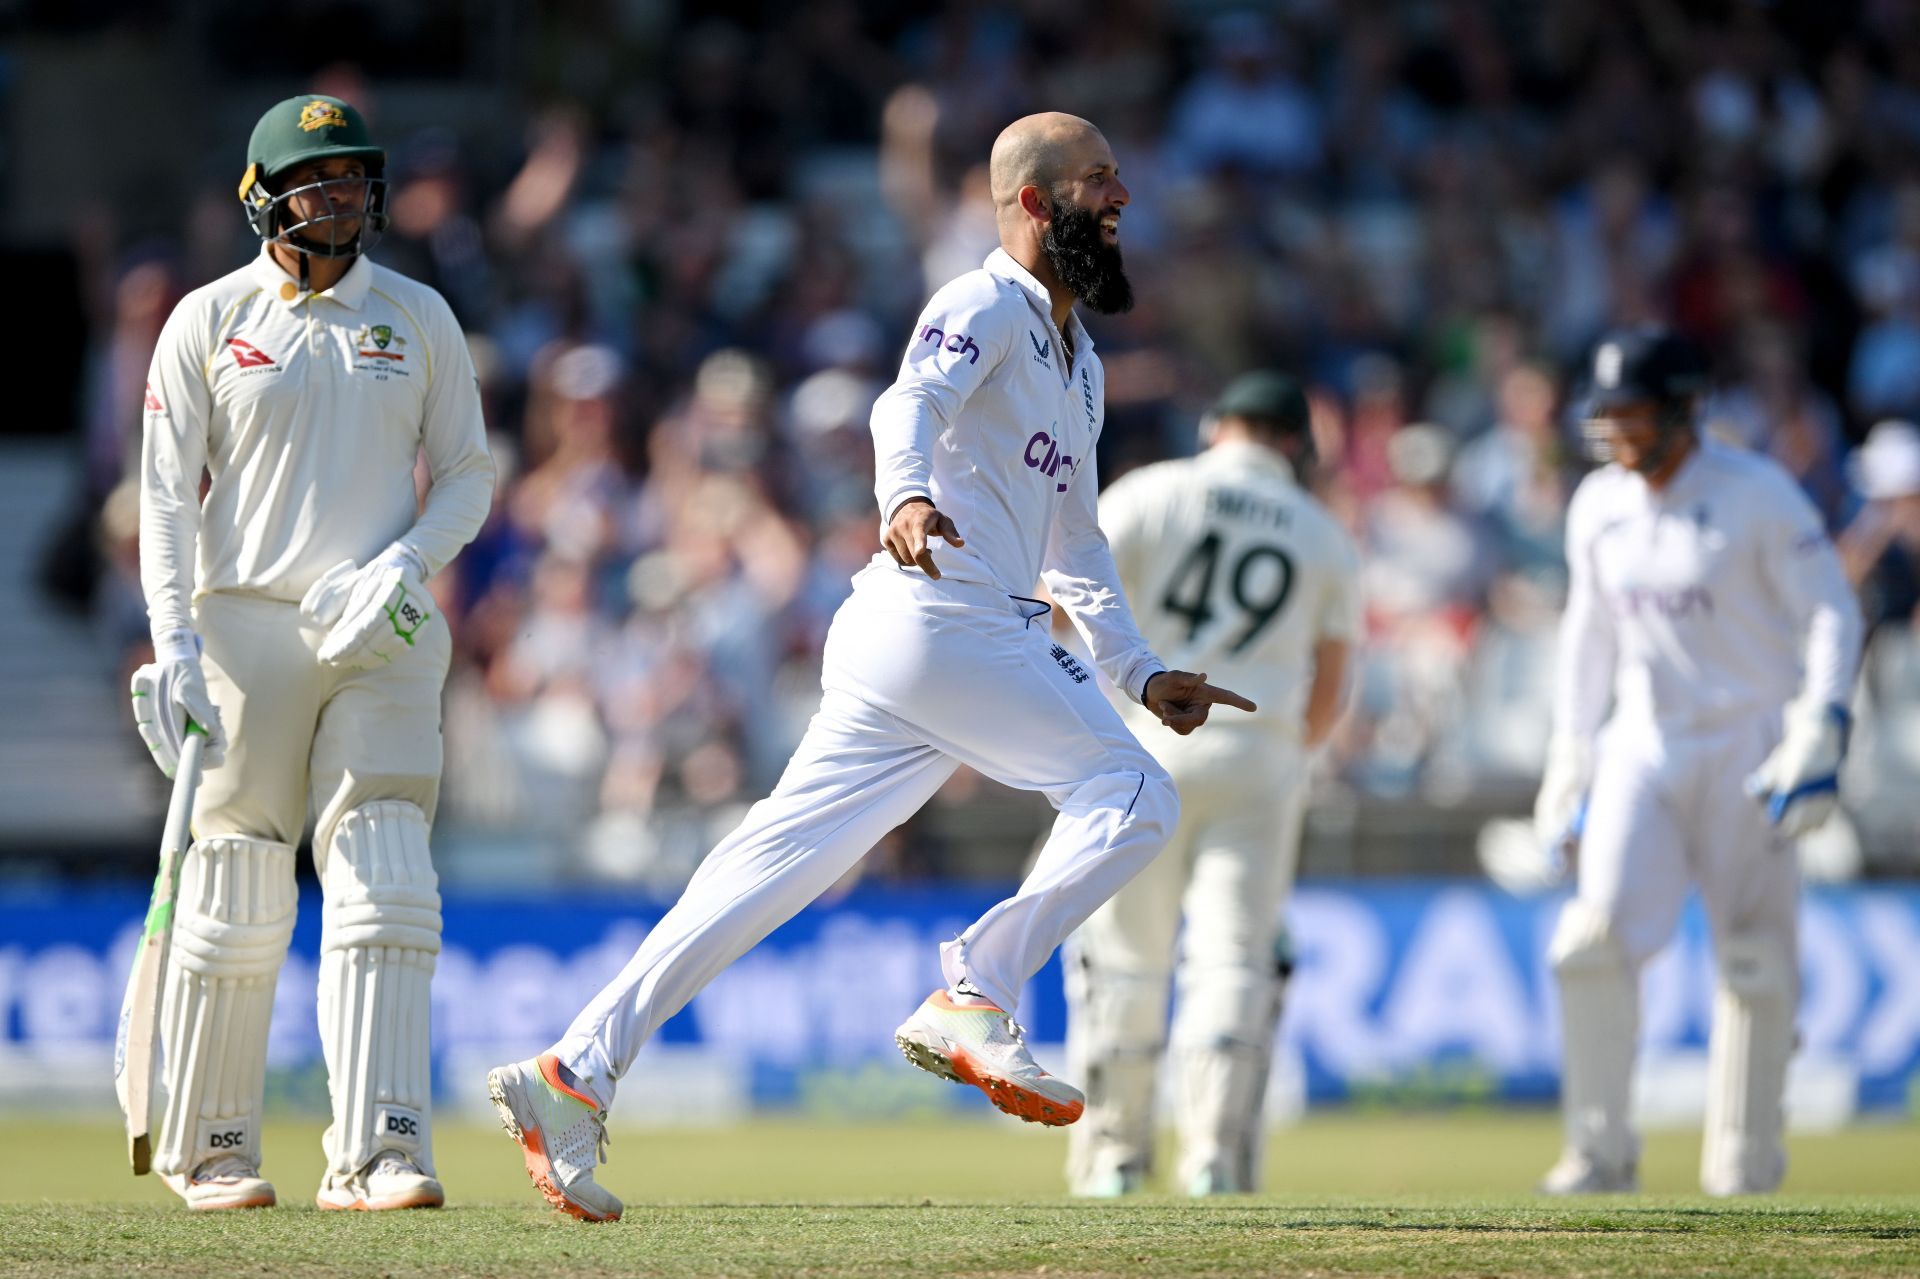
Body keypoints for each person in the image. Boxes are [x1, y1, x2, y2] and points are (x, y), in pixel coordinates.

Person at [484, 112, 1256, 1223]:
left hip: (930, 640)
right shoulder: (982, 299)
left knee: (766, 869)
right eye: (1099, 182)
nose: (1122, 201)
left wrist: (1137, 673)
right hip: (948, 617)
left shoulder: (1081, 364)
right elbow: (910, 403)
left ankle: (573, 1072)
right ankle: (976, 990)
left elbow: (1076, 547)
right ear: (1034, 203)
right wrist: (902, 492)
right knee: (1135, 794)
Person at [130, 94, 494, 1210]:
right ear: (263, 197)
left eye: (354, 178)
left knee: (386, 871)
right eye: (318, 179)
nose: (342, 196)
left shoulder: (419, 314)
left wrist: (403, 565)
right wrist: (177, 641)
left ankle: (381, 1150)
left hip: (378, 625)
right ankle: (216, 1146)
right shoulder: (207, 317)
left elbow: (471, 475)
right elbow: (162, 501)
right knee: (236, 879)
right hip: (244, 627)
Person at [1533, 328, 1862, 1195]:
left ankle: (1744, 1171)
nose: (1620, 435)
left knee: (1753, 961)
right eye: (1608, 418)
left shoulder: (1757, 494)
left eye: (1636, 415)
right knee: (1591, 941)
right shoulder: (1598, 503)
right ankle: (1599, 1157)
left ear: (1685, 410)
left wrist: (1820, 722)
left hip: (1750, 740)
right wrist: (1569, 751)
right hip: (1642, 741)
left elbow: (1831, 612)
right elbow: (1587, 633)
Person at [1063, 371, 1359, 1197]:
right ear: (1296, 445)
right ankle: (1215, 1161)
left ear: (1215, 424)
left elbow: (1060, 607)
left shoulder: (1151, 492)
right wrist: (1280, 757)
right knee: (1233, 958)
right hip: (1256, 755)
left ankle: (1114, 1159)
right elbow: (1331, 684)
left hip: (1137, 742)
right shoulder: (1324, 533)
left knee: (1124, 959)